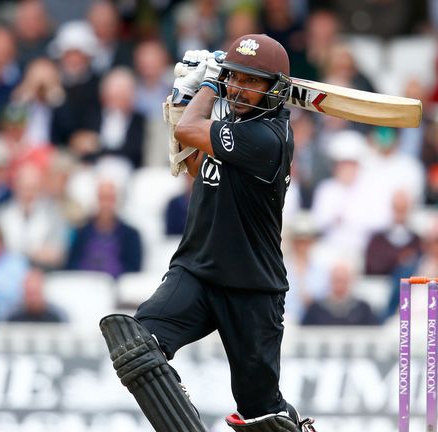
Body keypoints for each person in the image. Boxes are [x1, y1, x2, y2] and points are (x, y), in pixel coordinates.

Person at [98, 34, 316, 432]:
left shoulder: (268, 137)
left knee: (260, 412)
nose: (239, 88)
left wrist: (210, 83)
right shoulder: (234, 123)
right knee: (138, 345)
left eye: (251, 81)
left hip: (252, 287)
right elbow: (201, 168)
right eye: (235, 77)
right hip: (197, 271)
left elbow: (189, 130)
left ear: (275, 89)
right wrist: (185, 98)